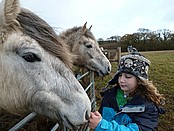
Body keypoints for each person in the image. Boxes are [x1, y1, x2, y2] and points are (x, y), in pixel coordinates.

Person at [89, 46, 165, 131]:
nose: (121, 80)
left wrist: (101, 125)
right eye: (120, 75)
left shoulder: (148, 105)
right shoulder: (109, 96)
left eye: (128, 77)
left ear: (139, 80)